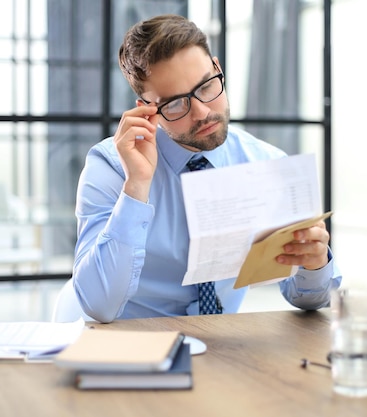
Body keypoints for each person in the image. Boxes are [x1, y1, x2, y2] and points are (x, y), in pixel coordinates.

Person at [72, 14, 342, 323]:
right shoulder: (111, 166)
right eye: (174, 103)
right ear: (145, 109)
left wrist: (313, 264)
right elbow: (98, 306)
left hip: (222, 347)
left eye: (205, 87)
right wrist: (136, 186)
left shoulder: (267, 164)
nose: (202, 113)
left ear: (218, 69)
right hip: (131, 344)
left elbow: (310, 299)